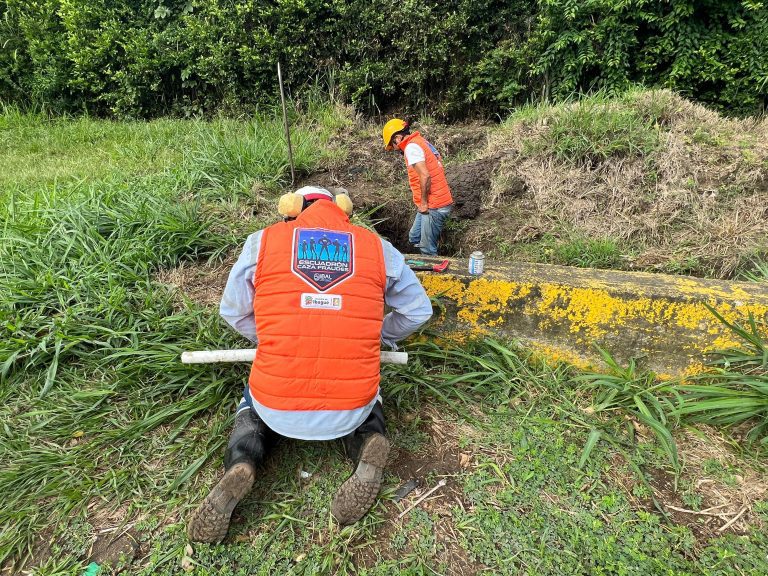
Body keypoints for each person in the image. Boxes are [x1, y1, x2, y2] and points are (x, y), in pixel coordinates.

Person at [188, 186, 433, 543]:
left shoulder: (262, 242)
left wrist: (270, 340)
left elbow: (232, 310)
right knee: (368, 399)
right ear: (342, 211)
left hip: (278, 403)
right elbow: (418, 310)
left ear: (292, 211)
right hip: (348, 404)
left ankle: (243, 461)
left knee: (253, 407)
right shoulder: (377, 247)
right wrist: (375, 335)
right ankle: (368, 442)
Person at [382, 119, 453, 256]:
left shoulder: (411, 148)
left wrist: (424, 203)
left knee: (427, 249)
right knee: (414, 237)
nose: (395, 149)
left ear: (397, 137)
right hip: (435, 201)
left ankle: (433, 271)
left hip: (435, 205)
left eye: (392, 145)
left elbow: (425, 176)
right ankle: (423, 257)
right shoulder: (419, 142)